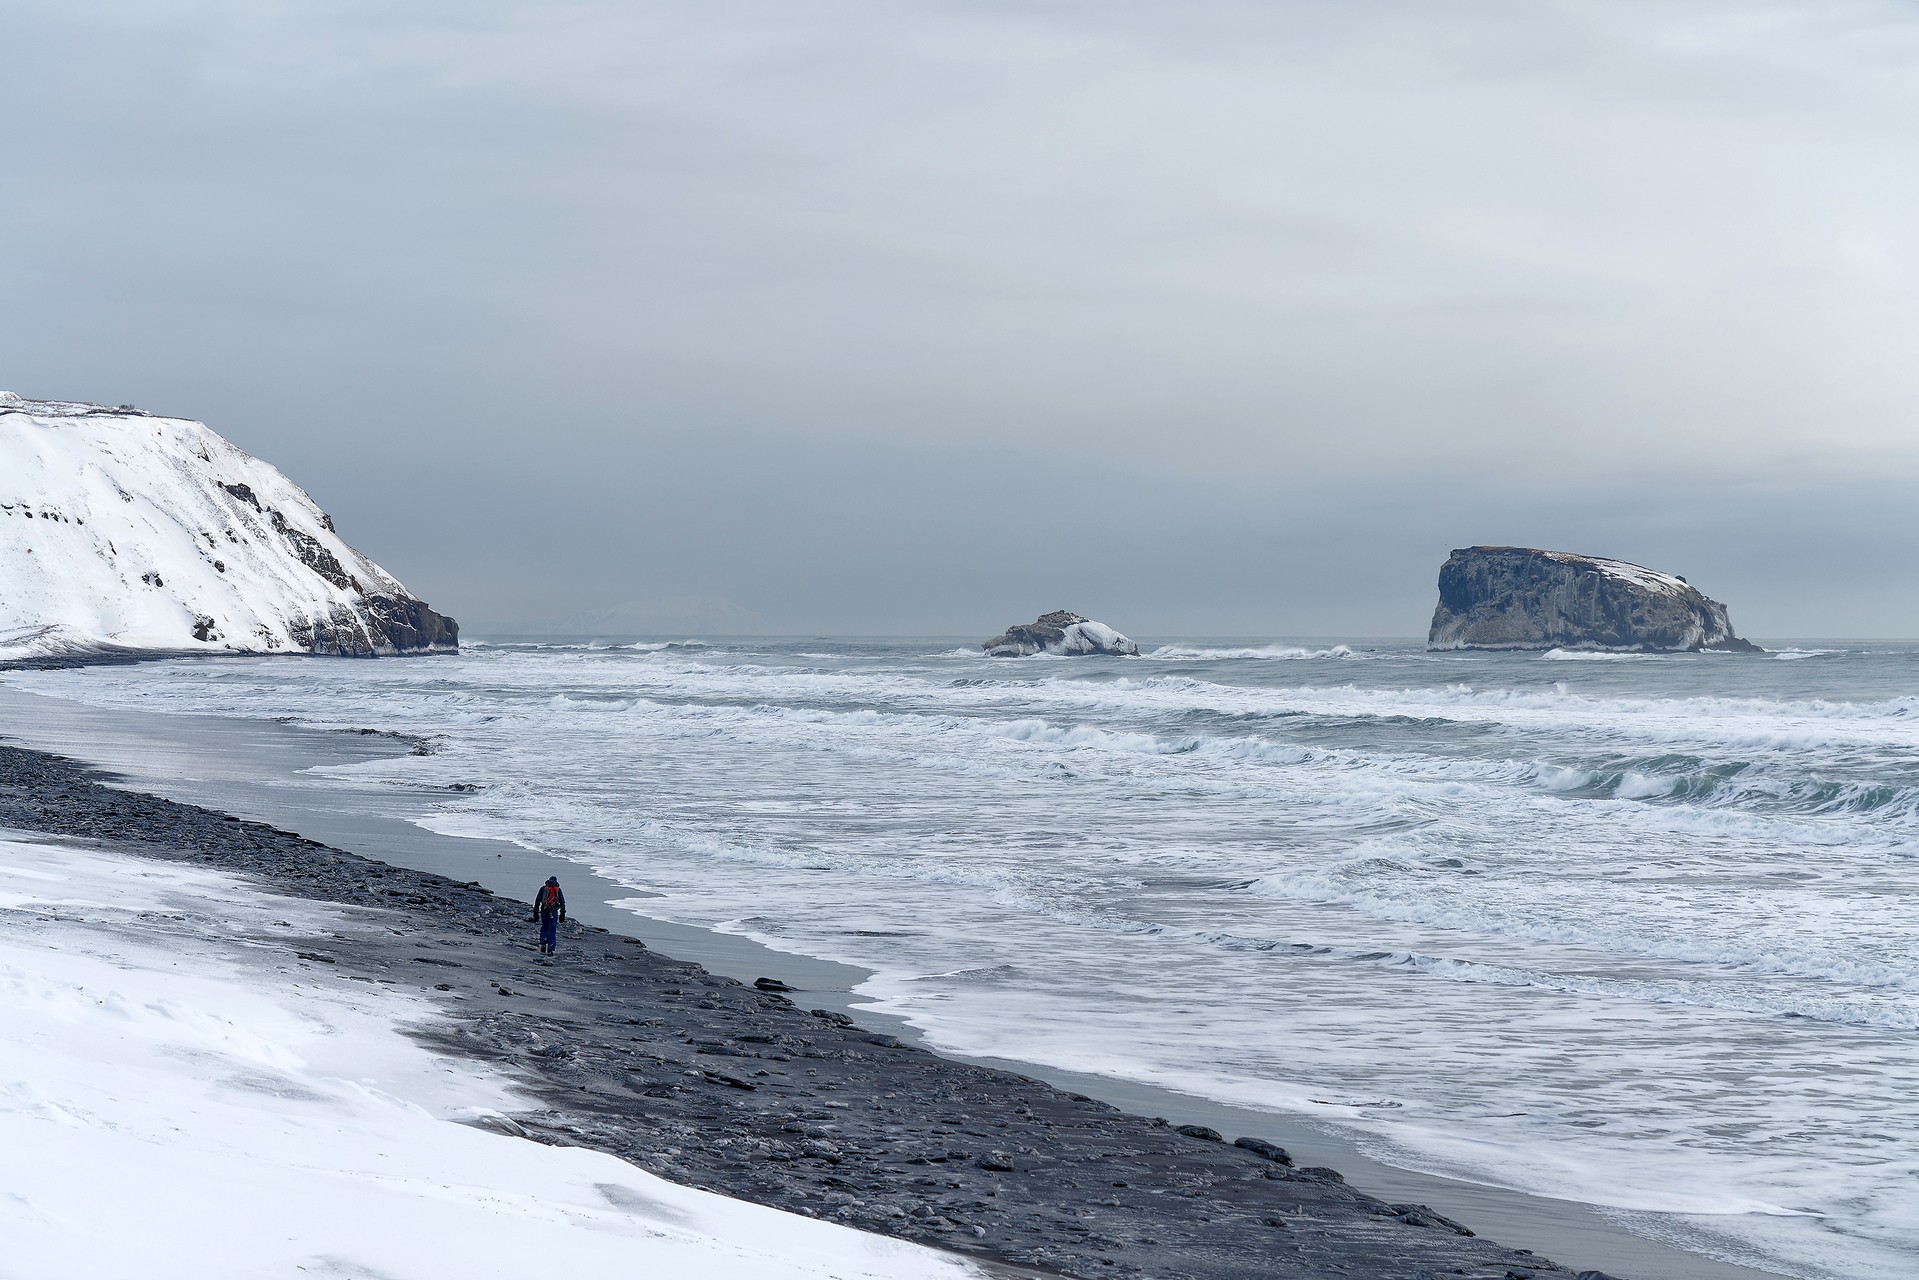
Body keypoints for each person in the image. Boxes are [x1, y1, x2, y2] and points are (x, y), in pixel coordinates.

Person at [531, 876, 567, 954]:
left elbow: (537, 901)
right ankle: (551, 948)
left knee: (544, 927)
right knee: (552, 929)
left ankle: (543, 944)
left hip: (544, 910)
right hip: (553, 911)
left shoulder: (543, 889)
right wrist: (562, 914)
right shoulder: (557, 890)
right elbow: (562, 902)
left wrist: (535, 913)